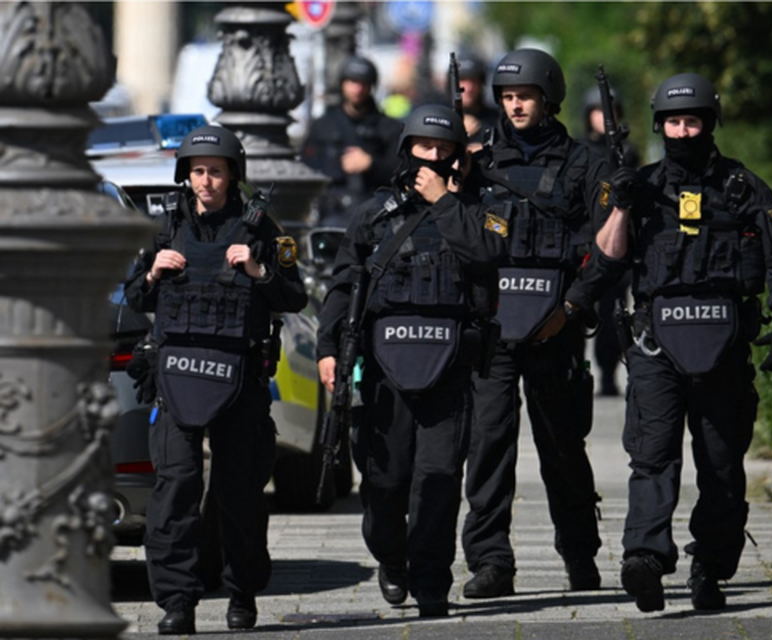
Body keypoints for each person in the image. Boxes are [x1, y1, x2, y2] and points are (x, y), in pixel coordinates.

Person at [573, 72, 772, 612]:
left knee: (722, 466)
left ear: (709, 123)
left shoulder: (743, 188)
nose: (682, 131)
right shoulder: (642, 186)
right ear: (660, 125)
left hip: (724, 348)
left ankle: (710, 567)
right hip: (656, 347)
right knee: (651, 459)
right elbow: (606, 259)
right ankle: (645, 559)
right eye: (673, 122)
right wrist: (623, 205)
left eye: (692, 120)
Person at [316, 104, 506, 617]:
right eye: (426, 148)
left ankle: (431, 582)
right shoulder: (373, 215)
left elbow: (488, 253)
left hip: (450, 371)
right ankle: (391, 559)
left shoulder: (478, 210)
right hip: (384, 372)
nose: (435, 157)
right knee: (385, 482)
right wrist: (328, 349)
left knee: (438, 480)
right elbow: (342, 285)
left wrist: (445, 201)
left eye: (445, 151)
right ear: (407, 151)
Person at [124, 125, 308, 635]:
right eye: (198, 172)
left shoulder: (261, 227)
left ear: (233, 175)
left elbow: (294, 297)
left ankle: (241, 595)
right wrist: (154, 275)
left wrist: (258, 272)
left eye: (216, 172)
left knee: (240, 492)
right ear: (187, 174)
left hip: (241, 378)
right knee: (173, 493)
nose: (206, 182)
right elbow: (136, 298)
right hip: (176, 376)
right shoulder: (165, 228)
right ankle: (176, 603)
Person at [461, 47, 610, 598]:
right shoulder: (475, 160)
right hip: (492, 326)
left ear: (548, 98)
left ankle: (579, 552)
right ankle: (490, 562)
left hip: (555, 327)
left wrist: (573, 307)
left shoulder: (582, 163)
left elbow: (608, 249)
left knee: (563, 445)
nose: (515, 105)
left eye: (524, 95)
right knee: (489, 445)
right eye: (507, 96)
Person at [579, 84, 641, 396]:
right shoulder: (578, 151)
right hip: (585, 244)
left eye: (611, 113)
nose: (605, 119)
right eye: (598, 112)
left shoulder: (628, 153)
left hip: (616, 244)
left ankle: (608, 372)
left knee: (613, 315)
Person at [300, 55, 404, 227]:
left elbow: (400, 171)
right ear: (342, 84)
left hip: (374, 213)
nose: (358, 89)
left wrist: (371, 164)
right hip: (331, 213)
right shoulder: (323, 125)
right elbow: (306, 167)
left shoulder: (387, 127)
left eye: (363, 83)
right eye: (352, 82)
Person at [457, 53, 499, 151]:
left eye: (473, 81)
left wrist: (487, 150)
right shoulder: (439, 115)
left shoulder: (496, 119)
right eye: (462, 80)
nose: (469, 88)